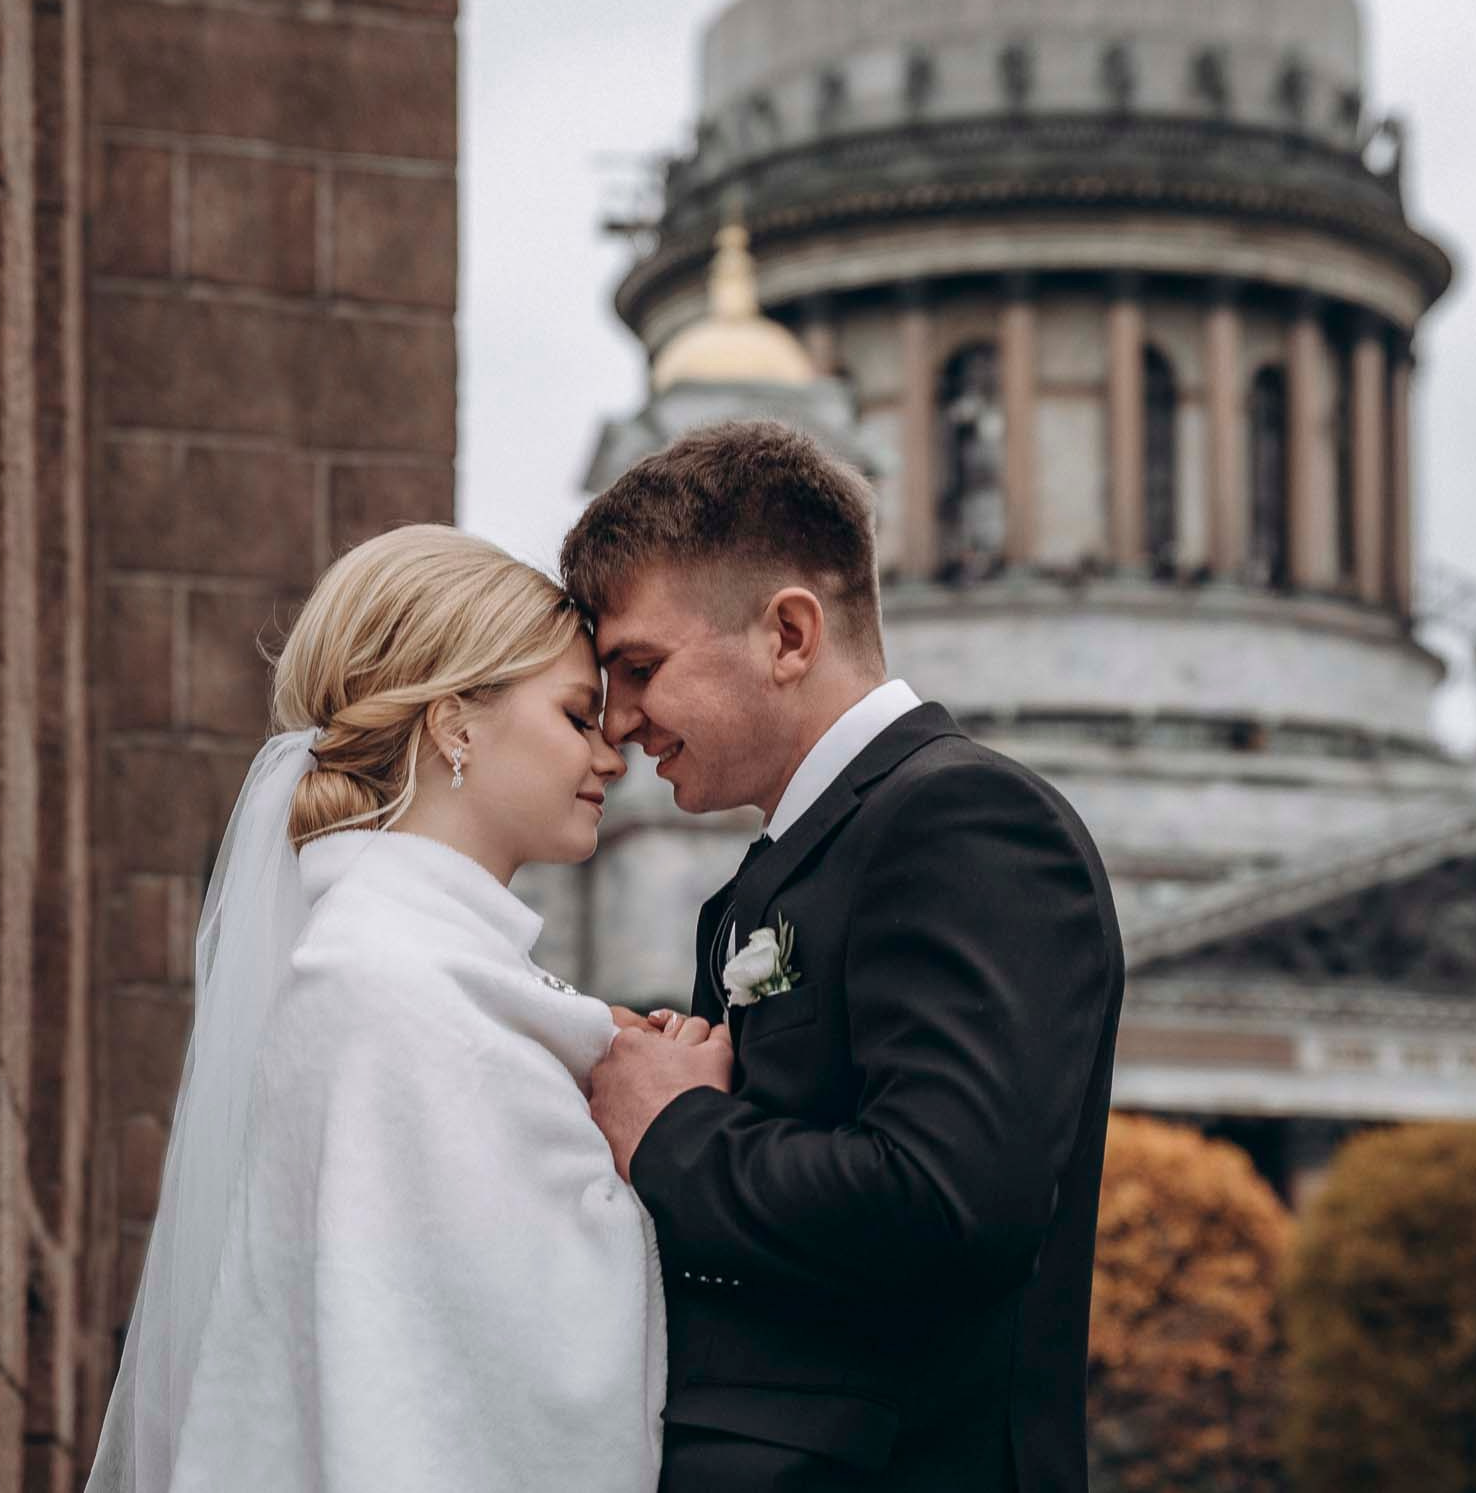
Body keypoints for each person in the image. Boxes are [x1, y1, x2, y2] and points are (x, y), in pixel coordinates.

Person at [568, 421, 1126, 1493]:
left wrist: (675, 1128)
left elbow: (947, 1198)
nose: (620, 721)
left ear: (788, 633)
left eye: (638, 667)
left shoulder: (966, 819)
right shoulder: (763, 879)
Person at [85, 525, 689, 1493]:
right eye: (578, 716)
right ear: (453, 723)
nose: (612, 754)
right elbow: (503, 1357)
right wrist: (669, 1127)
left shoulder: (428, 969)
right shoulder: (383, 982)